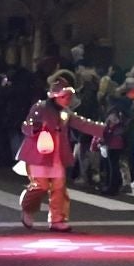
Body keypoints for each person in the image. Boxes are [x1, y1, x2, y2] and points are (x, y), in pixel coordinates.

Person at [18, 70, 103, 231]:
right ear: (55, 95)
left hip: (57, 155)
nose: (68, 100)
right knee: (40, 186)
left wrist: (105, 130)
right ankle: (28, 209)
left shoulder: (66, 113)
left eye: (69, 97)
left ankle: (57, 219)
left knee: (59, 188)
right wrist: (34, 128)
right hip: (39, 155)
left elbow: (84, 124)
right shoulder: (40, 107)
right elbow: (26, 126)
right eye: (65, 96)